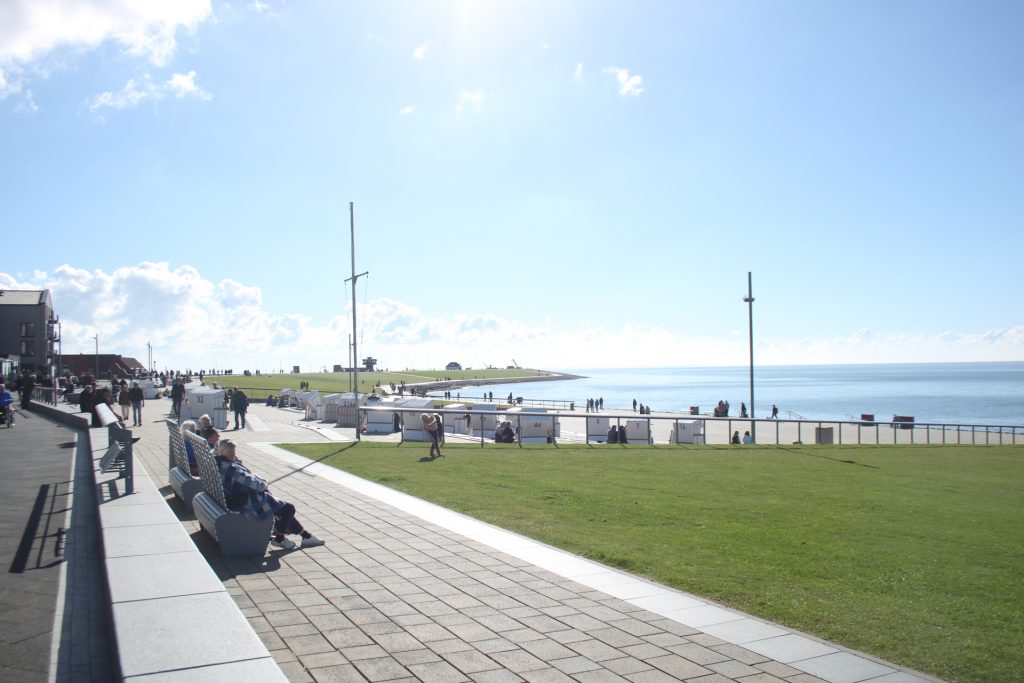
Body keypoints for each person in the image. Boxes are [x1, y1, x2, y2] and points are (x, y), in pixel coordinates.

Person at [215, 438, 324, 550]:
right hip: (244, 502)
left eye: (234, 451)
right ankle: (281, 539)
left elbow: (248, 476)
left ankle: (305, 536)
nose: (234, 453)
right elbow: (257, 485)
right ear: (224, 452)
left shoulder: (220, 463)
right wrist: (263, 483)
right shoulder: (231, 469)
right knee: (288, 509)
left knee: (281, 508)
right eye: (231, 451)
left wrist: (239, 464)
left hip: (234, 499)